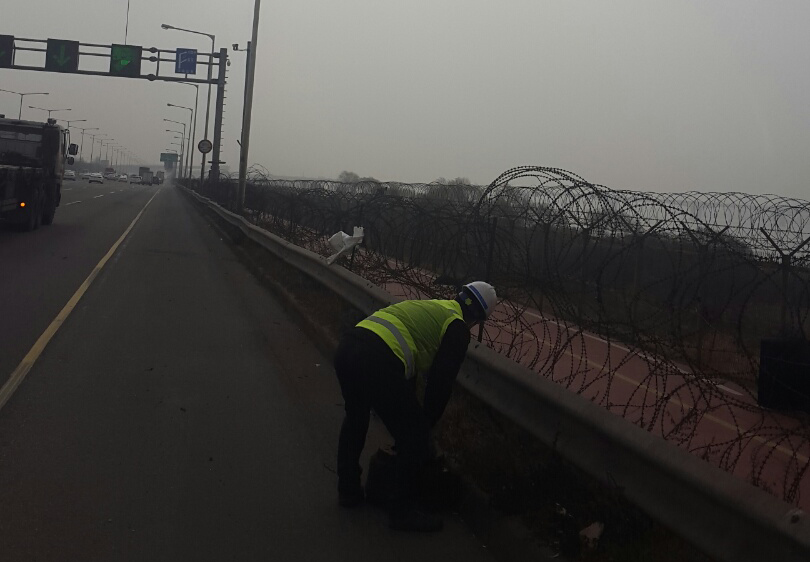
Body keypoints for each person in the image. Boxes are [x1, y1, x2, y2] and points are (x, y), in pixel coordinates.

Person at [333, 281, 497, 532]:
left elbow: (405, 369)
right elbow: (440, 383)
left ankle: (348, 491)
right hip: (377, 359)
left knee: (356, 416)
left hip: (348, 346)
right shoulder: (457, 328)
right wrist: (425, 425)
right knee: (415, 436)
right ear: (478, 318)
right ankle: (402, 512)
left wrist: (409, 418)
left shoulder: (432, 308)